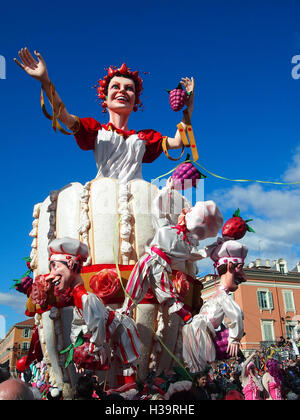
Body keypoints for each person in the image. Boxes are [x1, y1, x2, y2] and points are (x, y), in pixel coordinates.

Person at [14, 48, 195, 183]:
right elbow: (63, 116)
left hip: (138, 196)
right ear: (105, 100)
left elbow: (179, 142)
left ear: (135, 102)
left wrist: (188, 107)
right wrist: (45, 81)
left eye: (129, 88)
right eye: (115, 87)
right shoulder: (94, 130)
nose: (122, 91)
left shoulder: (146, 137)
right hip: (103, 194)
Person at [120, 177, 223, 323]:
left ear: (186, 218)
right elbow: (197, 255)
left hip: (150, 259)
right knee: (161, 286)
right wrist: (213, 247)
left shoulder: (165, 229)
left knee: (137, 281)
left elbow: (157, 209)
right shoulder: (186, 246)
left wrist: (167, 190)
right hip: (164, 266)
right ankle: (176, 307)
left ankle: (127, 308)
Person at [45, 237, 141, 385]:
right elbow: (81, 325)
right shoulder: (79, 299)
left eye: (55, 267)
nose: (50, 275)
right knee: (120, 365)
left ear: (71, 265)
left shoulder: (86, 299)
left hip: (123, 330)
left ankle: (129, 391)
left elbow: (98, 326)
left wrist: (95, 346)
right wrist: (79, 348)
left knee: (127, 364)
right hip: (114, 332)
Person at [182, 238, 248, 372]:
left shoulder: (216, 295)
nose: (243, 277)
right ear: (230, 266)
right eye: (240, 269)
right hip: (199, 333)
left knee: (195, 368)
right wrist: (234, 338)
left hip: (194, 331)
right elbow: (236, 314)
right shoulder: (222, 296)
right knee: (197, 368)